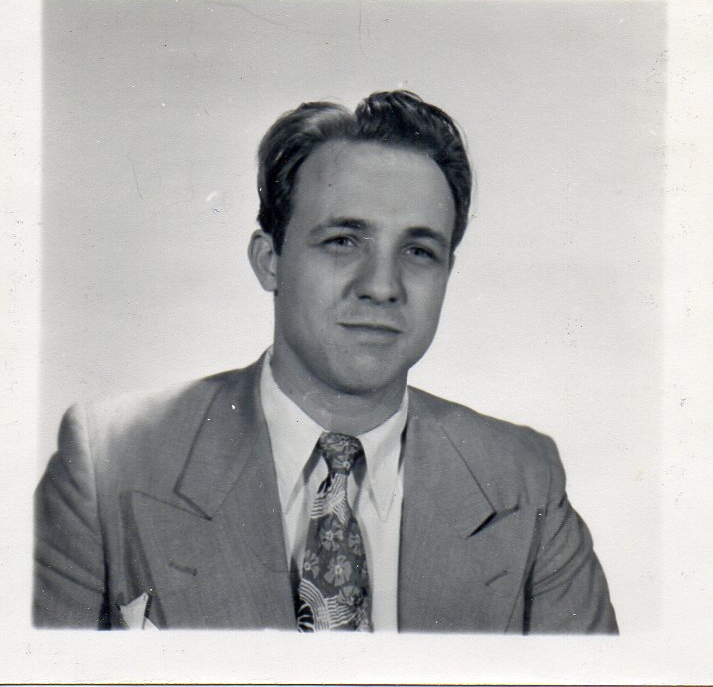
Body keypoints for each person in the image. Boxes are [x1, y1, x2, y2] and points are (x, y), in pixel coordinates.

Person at [34, 90, 618, 633]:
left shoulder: (523, 479)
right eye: (343, 241)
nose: (382, 286)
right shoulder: (109, 461)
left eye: (419, 251)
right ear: (270, 260)